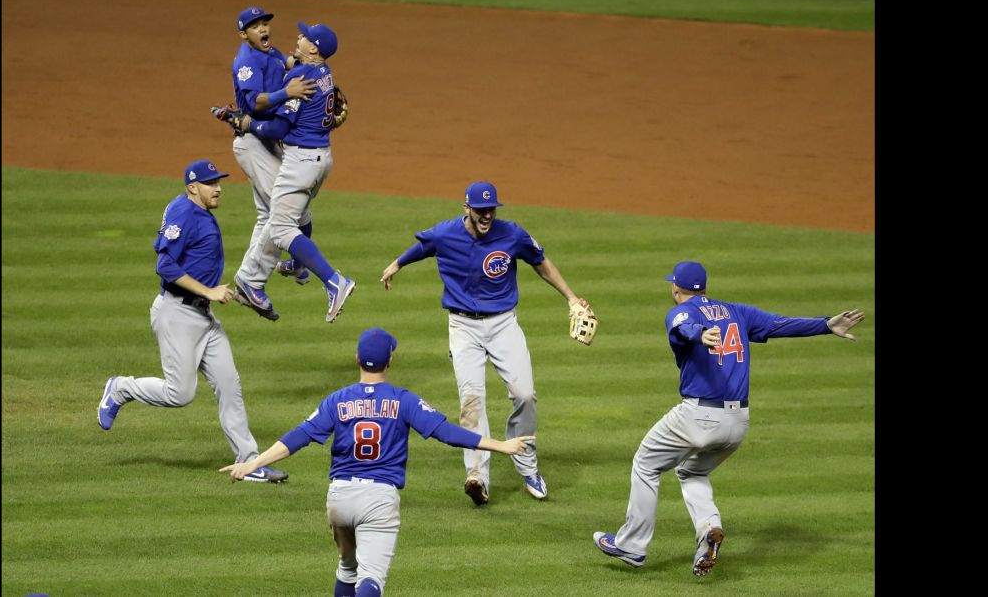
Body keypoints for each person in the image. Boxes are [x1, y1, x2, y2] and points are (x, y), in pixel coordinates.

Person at [592, 261, 865, 576]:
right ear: (705, 287)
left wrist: (698, 334)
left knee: (645, 463)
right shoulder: (737, 311)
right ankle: (709, 531)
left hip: (698, 416)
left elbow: (682, 326)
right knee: (691, 472)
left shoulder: (682, 312)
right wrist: (825, 325)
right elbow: (778, 324)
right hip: (737, 424)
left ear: (675, 288)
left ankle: (632, 546)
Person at [220, 328, 535, 597]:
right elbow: (447, 432)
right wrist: (501, 446)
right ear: (391, 361)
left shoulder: (338, 400)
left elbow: (298, 437)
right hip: (379, 501)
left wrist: (252, 464)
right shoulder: (403, 400)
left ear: (357, 359)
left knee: (347, 565)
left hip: (339, 498)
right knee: (371, 580)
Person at [378, 181, 591, 505]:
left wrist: (572, 299)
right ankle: (477, 475)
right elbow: (424, 246)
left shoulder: (512, 234)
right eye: (480, 209)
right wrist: (397, 263)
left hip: (504, 323)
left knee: (525, 395)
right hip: (463, 327)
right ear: (467, 208)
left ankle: (527, 464)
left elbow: (541, 262)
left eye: (491, 209)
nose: (486, 215)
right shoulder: (446, 232)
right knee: (471, 399)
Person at [96, 159, 288, 484]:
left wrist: (226, 294)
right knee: (179, 394)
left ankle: (249, 462)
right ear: (192, 187)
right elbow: (165, 265)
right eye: (211, 183)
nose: (218, 188)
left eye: (219, 182)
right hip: (177, 314)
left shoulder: (199, 213)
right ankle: (121, 388)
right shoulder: (183, 213)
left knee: (230, 385)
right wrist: (208, 291)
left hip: (202, 315)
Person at [231, 21, 355, 323]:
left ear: (313, 48)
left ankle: (334, 281)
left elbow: (279, 127)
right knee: (290, 217)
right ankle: (294, 265)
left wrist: (246, 123)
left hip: (300, 161)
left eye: (303, 36)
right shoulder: (324, 72)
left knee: (283, 226)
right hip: (321, 158)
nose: (297, 38)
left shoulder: (301, 75)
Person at [213, 6, 327, 321]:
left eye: (265, 23)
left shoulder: (269, 51)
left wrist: (311, 69)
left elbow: (288, 63)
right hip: (253, 142)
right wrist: (285, 92)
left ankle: (277, 269)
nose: (263, 29)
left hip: (268, 141)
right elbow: (254, 102)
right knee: (284, 211)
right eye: (255, 26)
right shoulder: (246, 61)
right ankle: (253, 280)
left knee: (270, 214)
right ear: (243, 34)